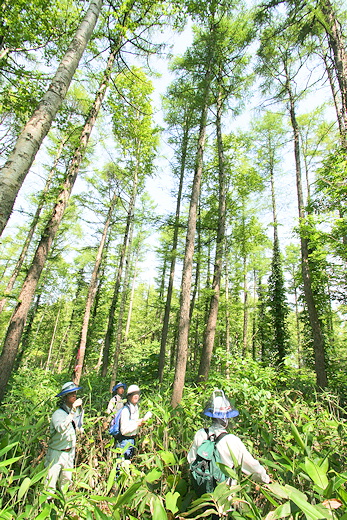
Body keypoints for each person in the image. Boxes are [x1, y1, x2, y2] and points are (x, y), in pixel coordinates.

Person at [188, 389, 270, 486]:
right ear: (226, 418)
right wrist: (266, 479)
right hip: (225, 493)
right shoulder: (232, 440)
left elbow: (191, 461)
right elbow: (251, 466)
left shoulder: (200, 434)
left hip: (201, 492)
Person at [45, 381, 84, 492]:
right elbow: (61, 428)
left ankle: (63, 505)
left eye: (75, 393)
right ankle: (46, 506)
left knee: (66, 482)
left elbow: (76, 428)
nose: (74, 396)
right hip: (57, 453)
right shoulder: (58, 414)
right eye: (71, 394)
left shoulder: (75, 412)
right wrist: (72, 412)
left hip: (69, 452)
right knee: (50, 483)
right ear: (65, 397)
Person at [116, 384, 152, 461]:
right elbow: (124, 430)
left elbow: (133, 422)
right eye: (133, 394)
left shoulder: (135, 409)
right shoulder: (126, 410)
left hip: (132, 440)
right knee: (122, 466)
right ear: (129, 397)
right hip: (124, 441)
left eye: (137, 394)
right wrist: (138, 424)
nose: (136, 396)